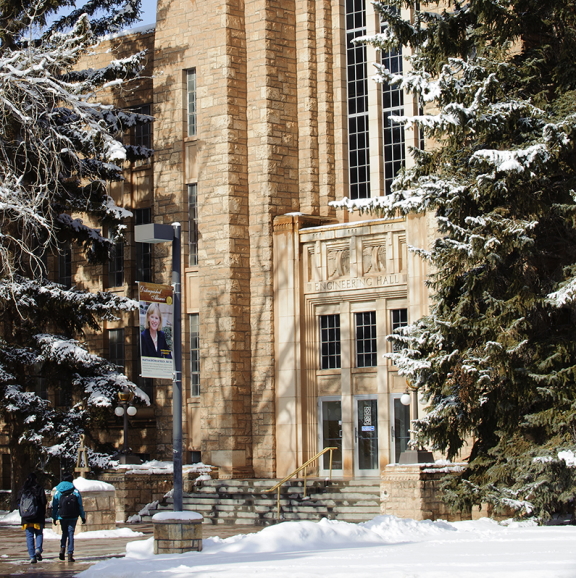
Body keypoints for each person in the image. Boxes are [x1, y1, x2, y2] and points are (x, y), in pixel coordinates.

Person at [51, 474, 86, 562]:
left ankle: (62, 549)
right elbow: (80, 505)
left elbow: (55, 505)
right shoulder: (75, 491)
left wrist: (54, 517)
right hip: (73, 516)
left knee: (64, 533)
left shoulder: (58, 492)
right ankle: (70, 554)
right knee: (71, 534)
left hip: (62, 516)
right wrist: (82, 516)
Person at [18, 472, 47, 564]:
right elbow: (43, 501)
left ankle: (32, 556)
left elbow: (18, 501)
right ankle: (38, 549)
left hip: (26, 517)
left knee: (29, 536)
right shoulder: (39, 488)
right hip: (37, 515)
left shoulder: (23, 489)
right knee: (39, 533)